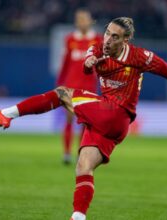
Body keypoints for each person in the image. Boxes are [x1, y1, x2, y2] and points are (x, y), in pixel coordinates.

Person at [0, 17, 167, 220]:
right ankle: (78, 217)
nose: (108, 40)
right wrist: (89, 63)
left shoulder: (141, 57)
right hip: (111, 124)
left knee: (62, 93)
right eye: (107, 33)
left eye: (115, 37)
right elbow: (88, 67)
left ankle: (6, 114)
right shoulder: (98, 48)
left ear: (126, 40)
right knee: (84, 166)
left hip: (116, 113)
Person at [56, 9, 102, 165]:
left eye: (84, 19)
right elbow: (65, 63)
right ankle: (67, 153)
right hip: (70, 86)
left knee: (85, 122)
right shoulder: (69, 39)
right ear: (76, 22)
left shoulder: (97, 39)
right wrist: (60, 83)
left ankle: (81, 154)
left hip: (89, 87)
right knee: (69, 119)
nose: (82, 22)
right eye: (79, 19)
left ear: (90, 21)